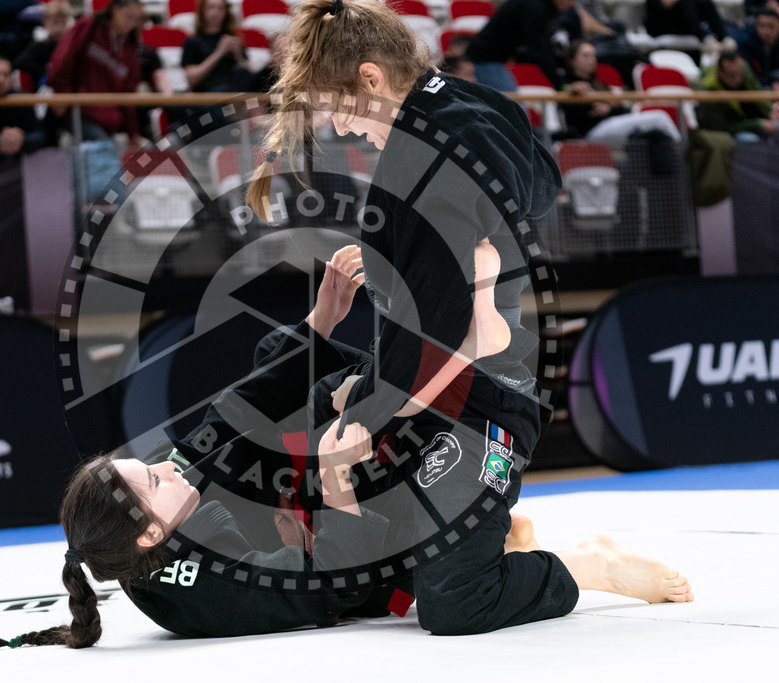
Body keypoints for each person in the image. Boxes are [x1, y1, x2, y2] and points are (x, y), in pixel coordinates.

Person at [0, 246, 693, 653]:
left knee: (295, 365)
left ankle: (452, 361)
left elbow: (227, 420)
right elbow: (325, 582)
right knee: (452, 604)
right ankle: (574, 563)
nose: (168, 462)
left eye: (150, 461)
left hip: (347, 498)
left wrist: (318, 321)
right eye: (153, 477)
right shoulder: (201, 593)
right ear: (150, 532)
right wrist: (336, 488)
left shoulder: (162, 511)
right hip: (356, 537)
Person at [248, 0, 693, 636]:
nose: (344, 130)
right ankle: (485, 531)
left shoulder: (426, 169)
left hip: (484, 397)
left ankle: (585, 566)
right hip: (446, 364)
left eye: (340, 110)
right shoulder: (468, 101)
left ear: (372, 81)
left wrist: (366, 414)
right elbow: (542, 184)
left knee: (454, 600)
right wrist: (396, 269)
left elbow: (443, 340)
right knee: (310, 392)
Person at [46, 0, 145, 144]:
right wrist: (61, 91)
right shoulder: (89, 27)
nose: (131, 23)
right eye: (128, 16)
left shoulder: (130, 48)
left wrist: (132, 131)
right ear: (114, 10)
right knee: (104, 152)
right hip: (80, 112)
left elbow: (128, 92)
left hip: (110, 119)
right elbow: (63, 58)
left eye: (135, 20)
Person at [559, 39, 680, 144]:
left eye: (593, 56)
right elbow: (570, 110)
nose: (592, 60)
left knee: (657, 135)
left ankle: (672, 158)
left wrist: (608, 109)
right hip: (589, 132)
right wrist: (592, 104)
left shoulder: (599, 85)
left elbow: (621, 108)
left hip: (610, 126)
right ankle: (681, 150)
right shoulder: (565, 83)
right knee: (660, 117)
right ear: (572, 60)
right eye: (586, 56)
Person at [466, 0, 574, 90]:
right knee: (511, 108)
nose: (571, 4)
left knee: (514, 107)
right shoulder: (535, 7)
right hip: (485, 60)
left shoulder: (539, 6)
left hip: (493, 60)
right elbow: (539, 50)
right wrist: (561, 84)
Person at [698, 50, 779, 141]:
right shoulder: (709, 90)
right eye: (732, 75)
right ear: (720, 72)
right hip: (734, 131)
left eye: (740, 74)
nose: (737, 79)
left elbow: (757, 92)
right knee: (750, 139)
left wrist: (769, 112)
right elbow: (723, 127)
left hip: (758, 122)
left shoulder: (744, 69)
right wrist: (757, 123)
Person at [181, 0, 256, 94]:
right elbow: (192, 79)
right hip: (212, 95)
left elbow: (250, 74)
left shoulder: (234, 38)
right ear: (202, 10)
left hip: (238, 92)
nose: (216, 13)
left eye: (220, 8)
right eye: (211, 7)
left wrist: (238, 56)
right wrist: (219, 53)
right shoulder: (192, 42)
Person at [736, 8, 779, 90]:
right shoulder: (745, 44)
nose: (766, 31)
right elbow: (744, 73)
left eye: (771, 27)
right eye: (762, 26)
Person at [13, 0, 73, 89]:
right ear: (45, 23)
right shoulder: (40, 45)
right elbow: (21, 62)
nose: (59, 28)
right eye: (55, 22)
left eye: (63, 23)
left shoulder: (71, 46)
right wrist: (45, 70)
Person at [644, 0, 729, 45]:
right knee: (686, 3)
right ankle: (705, 39)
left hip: (685, 22)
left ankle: (723, 38)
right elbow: (666, 3)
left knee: (706, 3)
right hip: (661, 24)